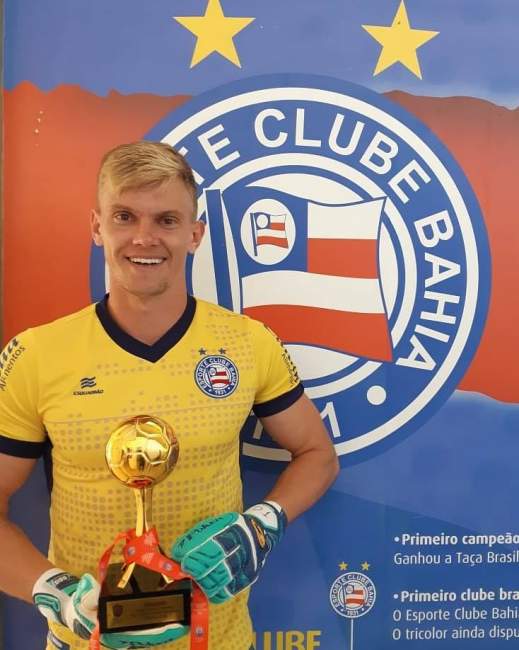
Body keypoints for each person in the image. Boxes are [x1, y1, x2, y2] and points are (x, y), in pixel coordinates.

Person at [0, 141, 339, 650]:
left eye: (166, 220)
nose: (144, 237)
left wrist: (263, 523)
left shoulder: (248, 343)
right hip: (88, 642)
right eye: (123, 216)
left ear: (194, 233)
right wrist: (54, 591)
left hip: (219, 639)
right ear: (96, 227)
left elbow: (318, 456)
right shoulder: (37, 354)